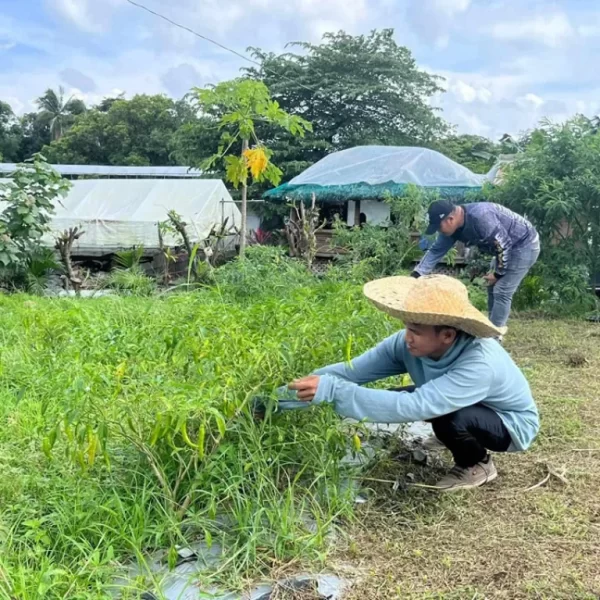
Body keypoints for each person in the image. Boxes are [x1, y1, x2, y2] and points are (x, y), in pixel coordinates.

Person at [288, 275, 539, 491]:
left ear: (447, 335)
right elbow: (352, 371)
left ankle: (477, 463)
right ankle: (452, 437)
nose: (407, 337)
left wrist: (333, 392)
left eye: (416, 331)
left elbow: (415, 406)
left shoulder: (479, 362)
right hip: (468, 403)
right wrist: (289, 392)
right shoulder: (406, 344)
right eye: (407, 327)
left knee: (446, 418)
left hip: (509, 424)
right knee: (398, 396)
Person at [412, 200, 540, 329]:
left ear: (450, 219)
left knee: (502, 291)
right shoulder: (451, 228)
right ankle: (491, 327)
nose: (439, 231)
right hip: (504, 248)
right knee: (492, 286)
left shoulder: (481, 218)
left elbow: (504, 245)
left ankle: (495, 336)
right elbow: (436, 251)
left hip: (524, 244)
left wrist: (498, 273)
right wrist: (417, 274)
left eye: (439, 227)